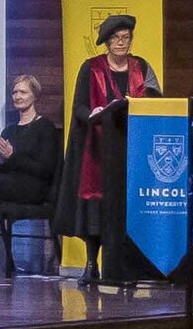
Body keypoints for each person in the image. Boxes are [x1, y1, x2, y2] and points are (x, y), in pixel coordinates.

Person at [64, 15, 161, 295]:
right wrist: (93, 114)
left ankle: (127, 265)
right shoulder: (90, 68)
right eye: (116, 38)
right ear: (107, 42)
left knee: (128, 206)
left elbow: (156, 97)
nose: (121, 42)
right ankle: (92, 264)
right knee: (97, 206)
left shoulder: (141, 67)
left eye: (126, 37)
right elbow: (79, 106)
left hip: (133, 148)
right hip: (99, 148)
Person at [0, 76, 62, 279]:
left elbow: (46, 169)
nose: (17, 96)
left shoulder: (44, 127)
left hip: (35, 188)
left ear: (34, 96)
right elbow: (1, 169)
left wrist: (13, 156)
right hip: (11, 185)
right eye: (15, 92)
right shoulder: (9, 130)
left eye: (23, 92)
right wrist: (0, 161)